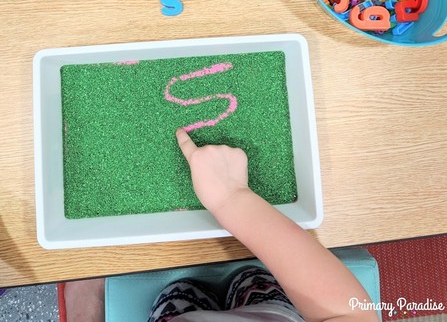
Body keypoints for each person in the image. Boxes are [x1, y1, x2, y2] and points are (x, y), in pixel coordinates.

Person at [65, 129, 379, 322]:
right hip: (272, 309)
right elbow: (350, 313)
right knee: (254, 281)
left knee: (180, 292)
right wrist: (232, 199)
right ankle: (248, 286)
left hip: (179, 314)